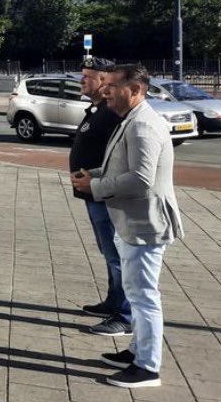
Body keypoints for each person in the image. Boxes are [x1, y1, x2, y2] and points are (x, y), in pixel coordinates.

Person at [71, 64, 184, 390]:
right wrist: (94, 174)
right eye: (104, 86)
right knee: (136, 293)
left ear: (135, 90)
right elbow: (120, 164)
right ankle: (136, 353)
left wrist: (96, 187)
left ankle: (147, 368)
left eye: (112, 86)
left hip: (145, 224)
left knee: (144, 297)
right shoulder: (132, 119)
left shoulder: (142, 126)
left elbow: (141, 179)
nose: (105, 91)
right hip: (134, 221)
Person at [68, 57, 130, 336]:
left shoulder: (111, 113)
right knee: (108, 252)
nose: (82, 81)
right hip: (93, 194)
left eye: (87, 77)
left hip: (105, 195)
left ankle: (125, 315)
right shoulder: (96, 110)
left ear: (104, 82)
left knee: (116, 255)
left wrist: (96, 180)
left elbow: (117, 157)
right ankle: (113, 302)